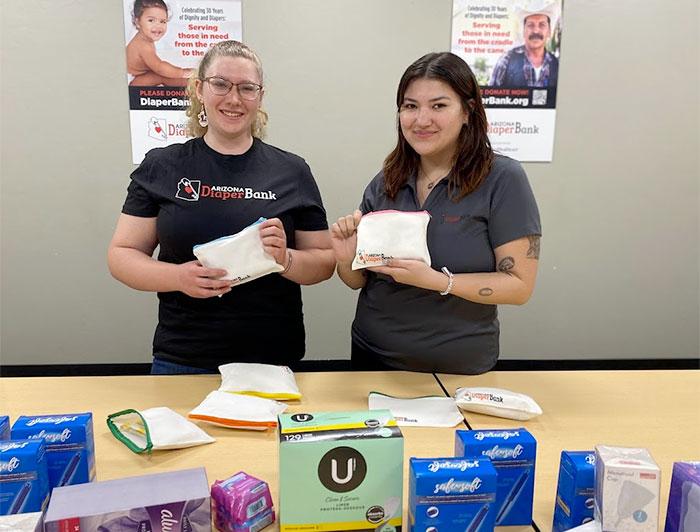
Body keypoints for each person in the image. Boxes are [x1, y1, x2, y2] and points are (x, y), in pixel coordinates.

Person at [109, 40, 335, 374]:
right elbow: (122, 254)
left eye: (247, 88)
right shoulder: (163, 165)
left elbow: (324, 261)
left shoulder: (292, 171)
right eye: (220, 84)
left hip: (271, 358)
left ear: (260, 97)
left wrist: (285, 259)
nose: (233, 98)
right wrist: (178, 277)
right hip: (183, 357)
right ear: (199, 88)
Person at [331, 52, 541, 374]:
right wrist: (346, 258)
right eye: (410, 106)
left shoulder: (503, 179)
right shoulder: (387, 180)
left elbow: (519, 286)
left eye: (438, 106)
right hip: (372, 358)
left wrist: (439, 282)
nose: (421, 120)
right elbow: (358, 281)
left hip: (458, 365)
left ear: (468, 111)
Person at [489, 1, 559, 88]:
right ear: (523, 30)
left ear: (549, 32)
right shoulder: (506, 60)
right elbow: (490, 96)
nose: (536, 31)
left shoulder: (558, 65)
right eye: (530, 25)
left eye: (542, 25)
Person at [126, 0, 192, 87]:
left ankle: (189, 82)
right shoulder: (142, 45)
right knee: (161, 75)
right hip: (133, 80)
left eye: (162, 21)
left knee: (164, 74)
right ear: (138, 22)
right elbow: (159, 67)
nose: (158, 26)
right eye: (151, 20)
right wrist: (182, 72)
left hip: (140, 75)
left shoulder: (145, 39)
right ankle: (188, 85)